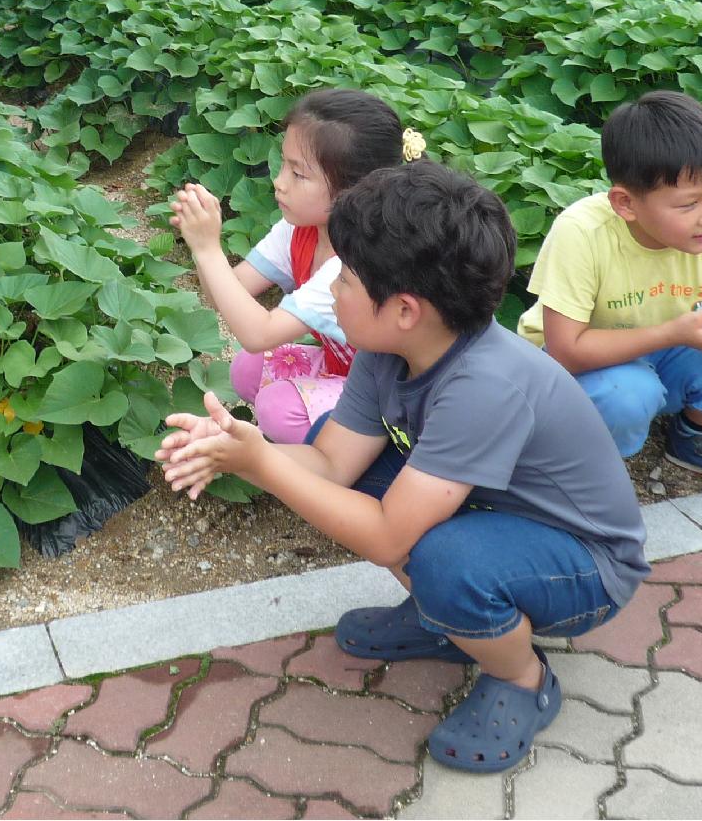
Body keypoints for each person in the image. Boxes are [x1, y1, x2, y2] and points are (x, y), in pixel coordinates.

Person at [158, 161, 647, 775]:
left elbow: (389, 534)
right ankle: (452, 621)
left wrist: (260, 463)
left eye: (346, 279)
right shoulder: (390, 351)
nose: (330, 290)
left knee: (441, 559)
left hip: (585, 565)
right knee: (362, 480)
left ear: (406, 309)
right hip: (497, 514)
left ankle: (521, 677)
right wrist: (239, 447)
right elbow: (330, 463)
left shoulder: (483, 384)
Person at [517, 91, 702, 486]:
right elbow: (566, 352)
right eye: (687, 204)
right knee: (626, 394)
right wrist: (672, 333)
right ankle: (582, 467)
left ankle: (697, 437)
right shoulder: (582, 233)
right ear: (626, 204)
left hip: (665, 354)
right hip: (576, 371)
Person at [170, 89, 409, 441]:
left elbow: (257, 334)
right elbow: (223, 294)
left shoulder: (355, 262)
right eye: (284, 164)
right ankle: (309, 435)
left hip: (387, 395)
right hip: (345, 369)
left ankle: (344, 458)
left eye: (298, 174)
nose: (279, 182)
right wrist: (202, 243)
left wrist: (209, 250)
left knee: (276, 409)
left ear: (352, 192)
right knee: (248, 370)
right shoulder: (301, 230)